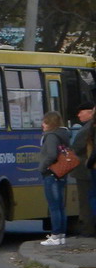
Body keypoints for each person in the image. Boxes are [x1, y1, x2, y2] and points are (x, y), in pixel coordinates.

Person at [38, 111, 71, 246]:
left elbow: (51, 154)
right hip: (61, 173)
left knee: (53, 206)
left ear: (50, 123)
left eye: (45, 122)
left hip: (51, 174)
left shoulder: (51, 136)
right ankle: (61, 235)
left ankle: (55, 235)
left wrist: (42, 167)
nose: (42, 125)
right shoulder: (63, 134)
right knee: (60, 205)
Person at [74, 101, 96, 236]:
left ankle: (88, 230)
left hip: (85, 169)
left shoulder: (87, 129)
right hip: (88, 168)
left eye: (81, 112)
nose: (78, 115)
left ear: (90, 113)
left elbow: (77, 147)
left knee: (87, 200)